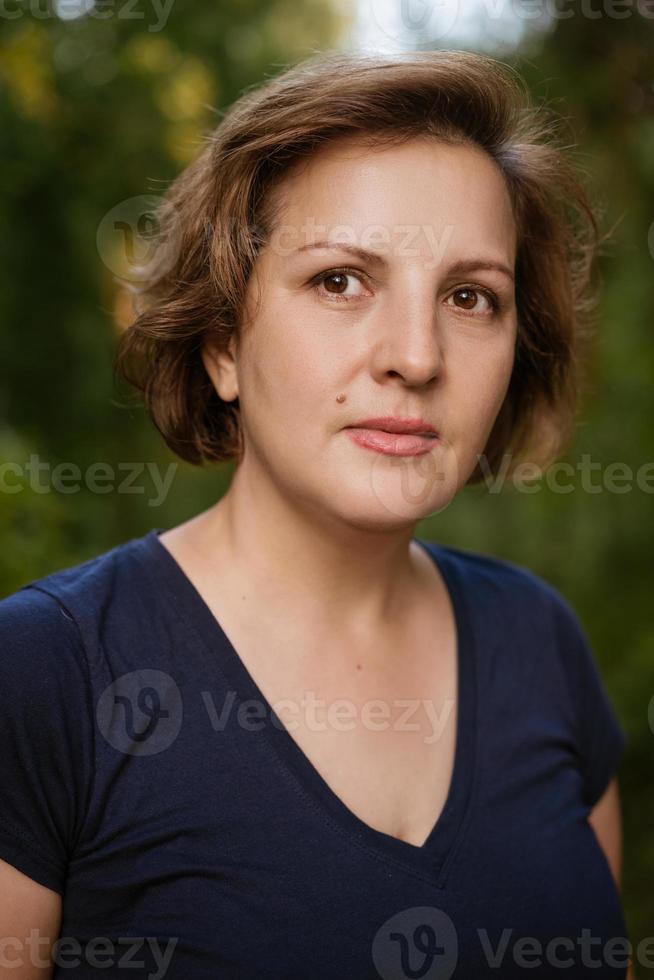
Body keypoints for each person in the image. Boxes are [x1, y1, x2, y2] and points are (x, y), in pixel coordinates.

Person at [0, 49, 631, 979]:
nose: (416, 357)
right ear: (221, 343)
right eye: (340, 280)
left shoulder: (542, 642)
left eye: (470, 297)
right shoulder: (45, 671)